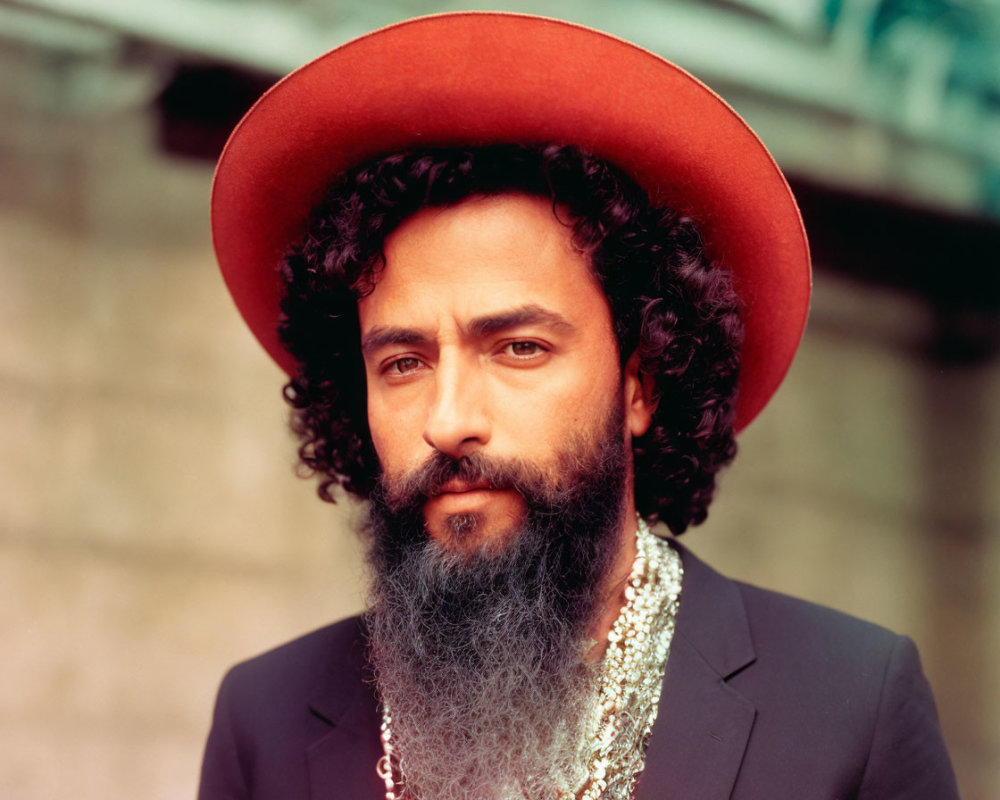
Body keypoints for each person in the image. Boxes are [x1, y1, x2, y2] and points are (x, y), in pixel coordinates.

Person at [200, 13, 959, 800]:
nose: (447, 419)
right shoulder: (266, 720)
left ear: (642, 381)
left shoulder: (851, 706)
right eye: (404, 363)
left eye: (519, 348)